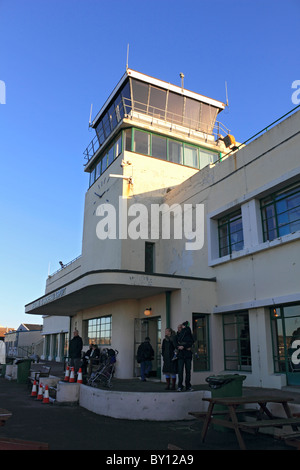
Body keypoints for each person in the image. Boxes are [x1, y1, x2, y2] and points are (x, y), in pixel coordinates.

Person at [175, 321, 194, 392]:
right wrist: (184, 347)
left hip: (187, 355)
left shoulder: (188, 334)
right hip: (181, 355)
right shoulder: (177, 336)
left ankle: (187, 386)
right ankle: (180, 385)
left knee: (187, 371)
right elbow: (175, 344)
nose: (180, 328)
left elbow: (191, 342)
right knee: (180, 371)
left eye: (181, 327)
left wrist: (183, 346)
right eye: (179, 327)